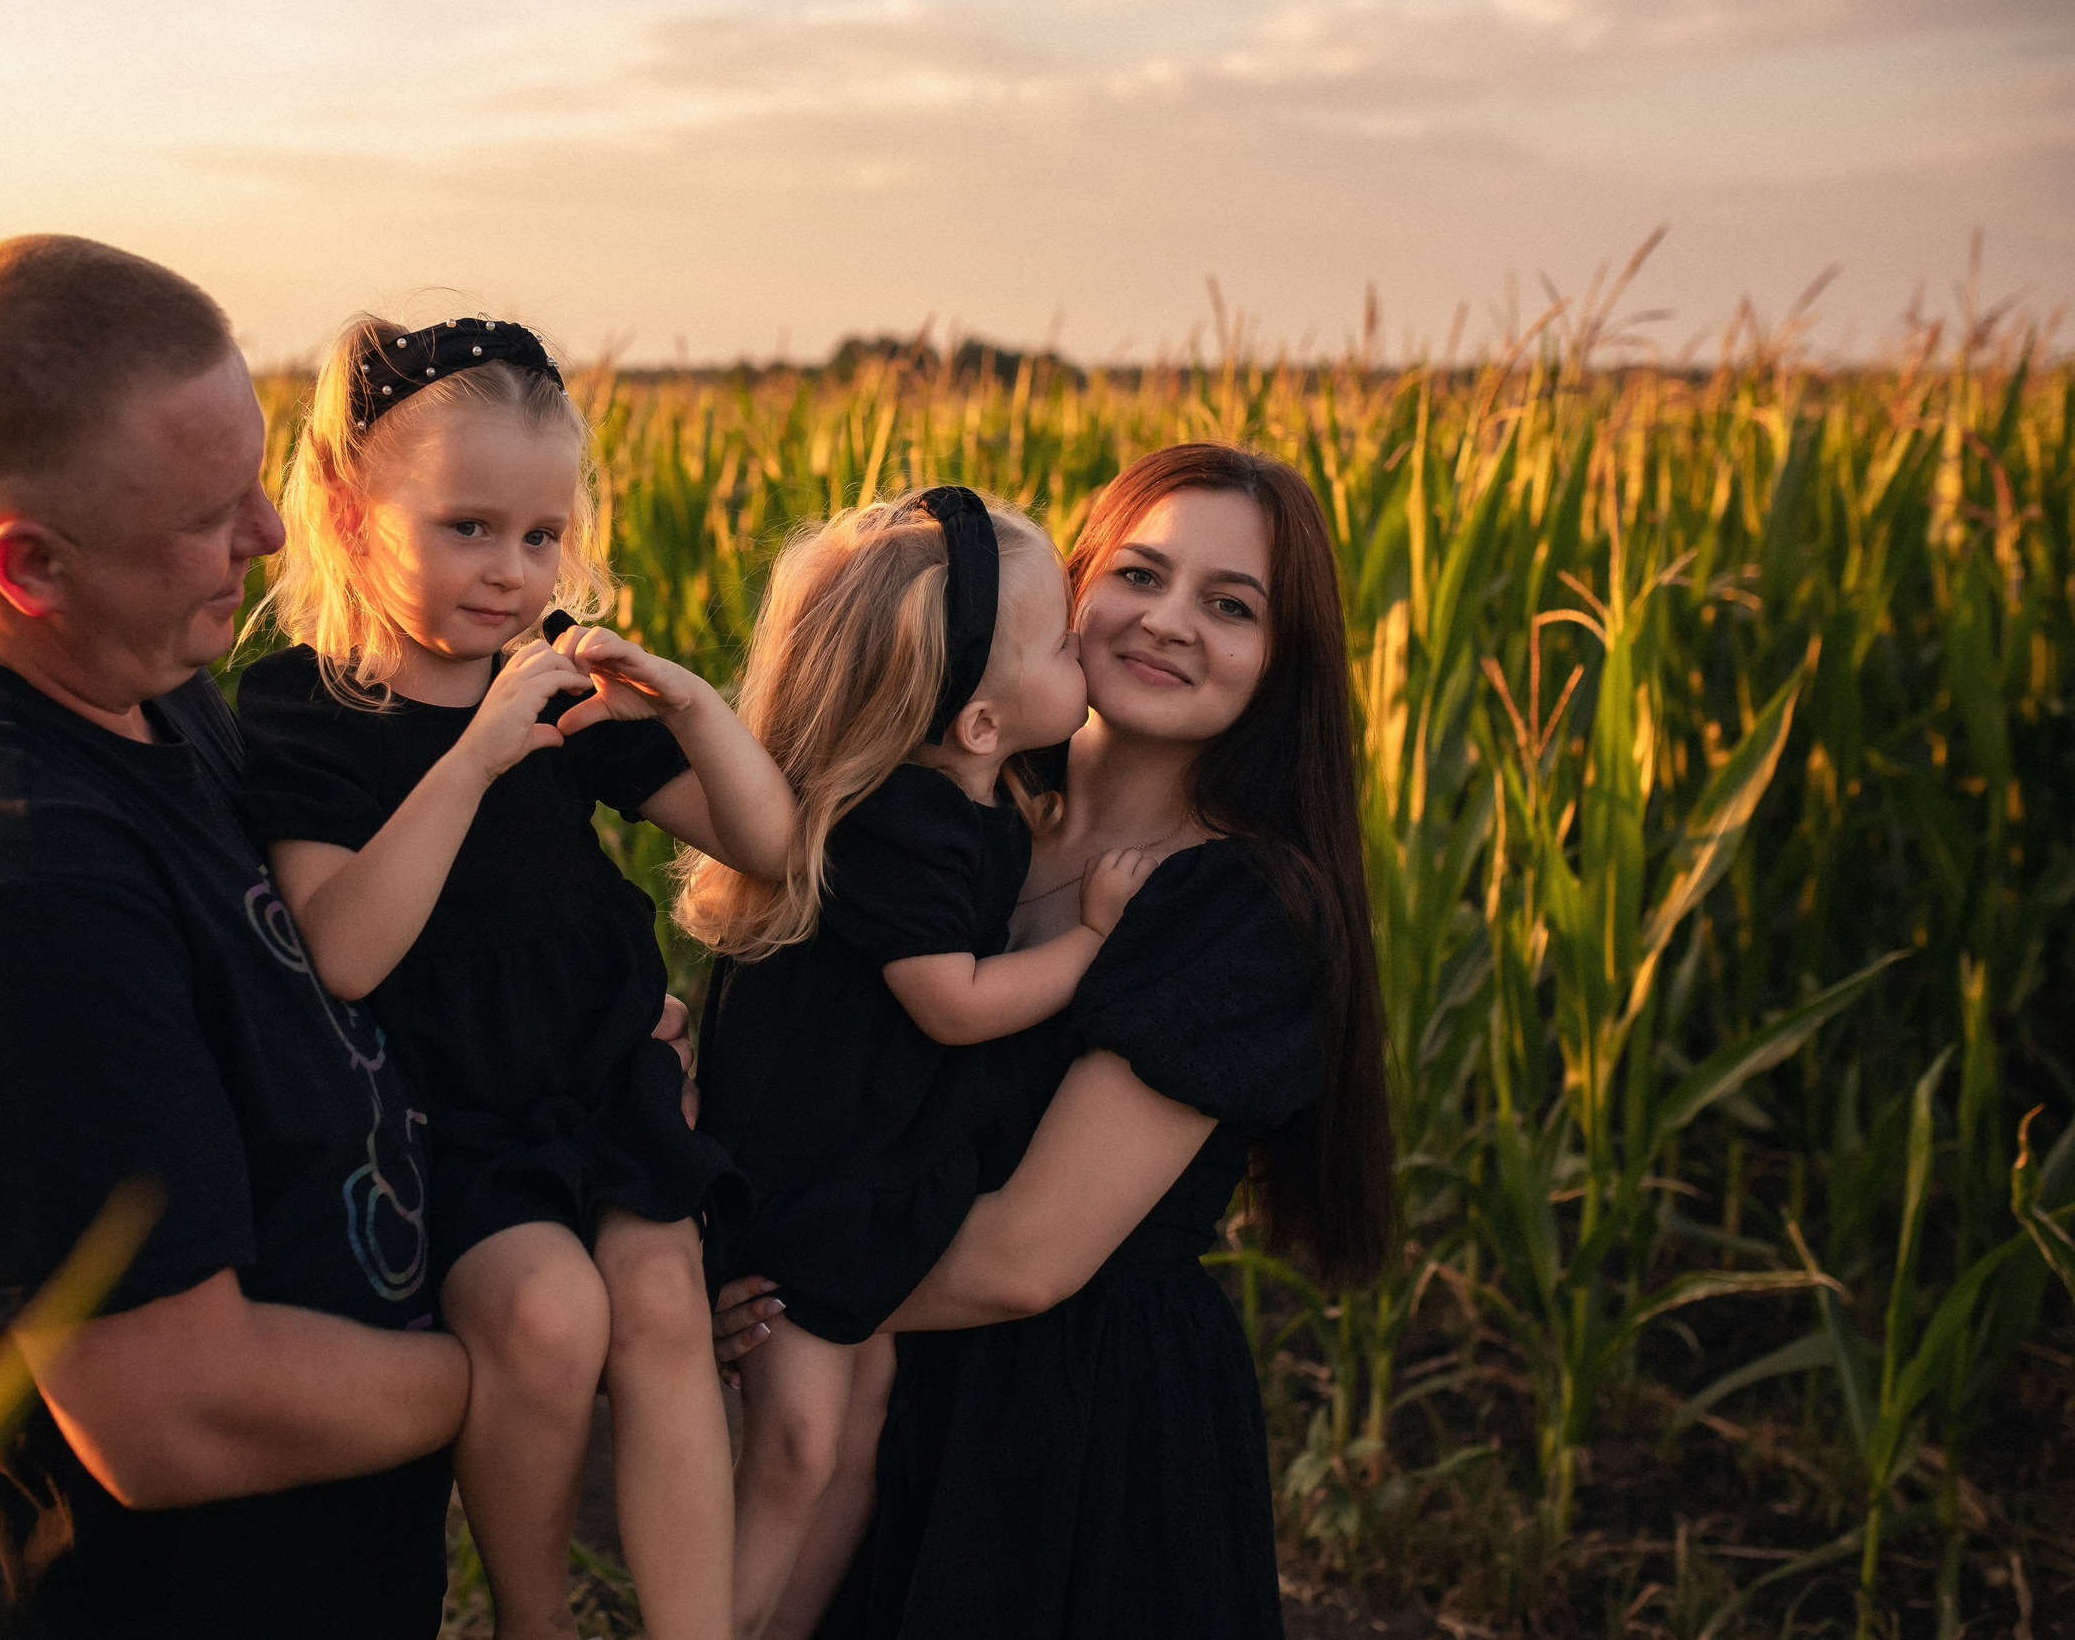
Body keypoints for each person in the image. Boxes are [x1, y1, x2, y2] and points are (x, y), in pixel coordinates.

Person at [0, 236, 674, 1639]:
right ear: (28, 563)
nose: (273, 537)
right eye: (210, 514)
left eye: (259, 480)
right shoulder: (20, 892)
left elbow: (298, 986)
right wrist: (522, 1357)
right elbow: (177, 1410)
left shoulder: (146, 692)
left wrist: (598, 1039)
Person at [717, 442, 1397, 1640]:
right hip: (872, 1395)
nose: (1169, 622)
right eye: (1139, 574)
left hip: (1068, 1451)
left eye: (1229, 606)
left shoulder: (1236, 913)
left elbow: (1026, 1256)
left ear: (1280, 665)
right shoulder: (946, 820)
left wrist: (767, 1290)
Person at [232, 313, 795, 1640]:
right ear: (354, 511)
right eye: (467, 526)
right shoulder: (305, 710)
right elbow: (346, 949)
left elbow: (768, 850)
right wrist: (481, 750)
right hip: (447, 1115)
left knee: (660, 1302)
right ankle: (531, 1618)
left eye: (541, 536)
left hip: (596, 1076)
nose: (511, 569)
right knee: (547, 1313)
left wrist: (696, 706)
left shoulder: (560, 694)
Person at [672, 487, 1152, 1639]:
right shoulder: (902, 823)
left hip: (866, 1161)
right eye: (1056, 636)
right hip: (810, 1175)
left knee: (858, 1426)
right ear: (980, 724)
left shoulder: (979, 800)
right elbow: (949, 1003)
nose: (1084, 635)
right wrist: (1090, 942)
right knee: (794, 1441)